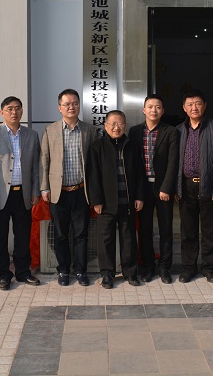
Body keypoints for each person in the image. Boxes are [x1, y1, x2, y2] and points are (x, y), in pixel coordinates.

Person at [40, 89, 99, 286]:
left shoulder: (89, 131)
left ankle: (81, 271)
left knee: (81, 234)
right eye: (67, 104)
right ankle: (63, 270)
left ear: (79, 105)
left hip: (81, 191)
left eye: (74, 103)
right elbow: (44, 161)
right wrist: (44, 188)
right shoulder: (50, 130)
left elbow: (94, 163)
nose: (71, 107)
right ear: (60, 108)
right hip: (59, 193)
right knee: (60, 234)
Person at [0, 96, 41, 290]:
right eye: (9, 108)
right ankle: (3, 273)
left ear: (22, 111)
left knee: (23, 235)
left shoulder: (31, 135)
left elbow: (36, 167)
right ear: (2, 112)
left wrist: (35, 191)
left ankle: (23, 272)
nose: (14, 112)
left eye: (17, 108)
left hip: (23, 193)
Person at [176, 90, 213, 284]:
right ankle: (188, 268)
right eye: (190, 104)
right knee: (188, 231)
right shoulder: (178, 131)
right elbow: (173, 163)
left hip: (208, 186)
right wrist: (176, 188)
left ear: (205, 106)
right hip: (186, 186)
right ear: (184, 108)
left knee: (210, 231)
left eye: (198, 103)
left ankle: (209, 268)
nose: (194, 108)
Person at [87, 110, 145, 289]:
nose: (116, 127)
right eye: (112, 124)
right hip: (106, 203)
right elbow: (93, 176)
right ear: (105, 126)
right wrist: (96, 200)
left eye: (119, 123)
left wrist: (139, 196)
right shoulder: (97, 147)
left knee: (129, 239)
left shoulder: (132, 146)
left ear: (125, 125)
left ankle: (130, 272)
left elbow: (140, 173)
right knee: (106, 240)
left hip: (127, 201)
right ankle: (107, 274)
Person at [129, 95, 179, 284]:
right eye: (150, 107)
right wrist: (137, 192)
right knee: (145, 230)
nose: (153, 110)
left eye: (158, 107)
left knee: (166, 229)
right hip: (143, 188)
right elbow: (134, 164)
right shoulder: (135, 132)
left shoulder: (171, 131)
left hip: (162, 188)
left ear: (163, 111)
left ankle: (164, 268)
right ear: (144, 110)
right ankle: (148, 266)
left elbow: (173, 162)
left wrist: (167, 187)